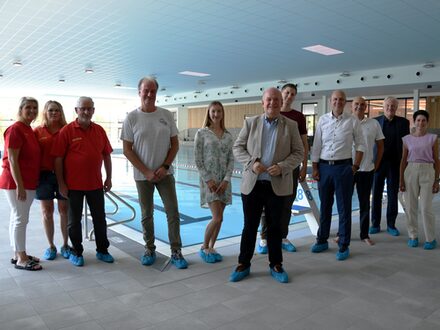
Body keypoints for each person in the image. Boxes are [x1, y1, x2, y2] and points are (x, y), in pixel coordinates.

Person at [230, 87, 304, 283]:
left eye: (276, 100)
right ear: (262, 103)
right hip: (254, 185)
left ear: (281, 103)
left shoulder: (291, 125)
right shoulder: (251, 123)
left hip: (277, 185)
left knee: (275, 228)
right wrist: (251, 163)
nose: (272, 103)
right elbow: (237, 147)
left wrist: (282, 166)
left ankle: (276, 264)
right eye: (269, 100)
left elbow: (298, 153)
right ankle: (243, 263)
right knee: (250, 226)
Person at [121, 76, 188, 269]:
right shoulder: (132, 117)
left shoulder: (166, 115)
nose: (149, 94)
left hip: (165, 174)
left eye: (153, 91)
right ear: (139, 92)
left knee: (173, 212)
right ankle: (149, 248)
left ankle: (176, 250)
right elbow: (127, 149)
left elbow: (175, 144)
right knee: (146, 214)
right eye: (146, 90)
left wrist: (165, 167)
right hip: (143, 176)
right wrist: (147, 171)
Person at [52, 96, 114, 267]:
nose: (86, 112)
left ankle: (102, 250)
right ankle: (76, 251)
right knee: (74, 221)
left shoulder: (99, 130)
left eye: (89, 108)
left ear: (93, 110)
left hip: (95, 184)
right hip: (73, 186)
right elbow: (58, 159)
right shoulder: (67, 131)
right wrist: (61, 183)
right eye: (83, 108)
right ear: (76, 110)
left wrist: (109, 177)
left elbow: (106, 154)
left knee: (100, 219)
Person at [311, 90, 365, 260]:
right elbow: (317, 145)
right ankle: (322, 239)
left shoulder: (352, 121)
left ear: (345, 102)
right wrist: (315, 168)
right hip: (324, 167)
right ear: (330, 101)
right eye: (335, 99)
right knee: (325, 206)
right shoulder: (322, 120)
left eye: (341, 99)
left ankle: (343, 244)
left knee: (344, 208)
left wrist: (355, 166)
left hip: (344, 168)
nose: (338, 102)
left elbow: (361, 145)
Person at [257, 83, 309, 254]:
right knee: (265, 203)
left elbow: (303, 144)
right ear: (281, 94)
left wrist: (303, 166)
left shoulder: (298, 117)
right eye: (287, 92)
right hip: (268, 169)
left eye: (293, 94)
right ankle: (264, 237)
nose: (289, 96)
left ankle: (282, 236)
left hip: (289, 168)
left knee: (287, 203)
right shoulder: (269, 114)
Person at [0, 97, 42, 271]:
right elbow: (12, 159)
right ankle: (22, 258)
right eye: (28, 107)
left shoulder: (28, 129)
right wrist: (20, 185)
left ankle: (17, 253)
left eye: (34, 107)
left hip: (26, 181)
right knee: (20, 219)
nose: (32, 110)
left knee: (16, 217)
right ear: (21, 109)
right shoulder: (16, 129)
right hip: (17, 182)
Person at [194, 101, 234, 263]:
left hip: (224, 183)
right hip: (209, 182)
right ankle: (204, 247)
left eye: (219, 111)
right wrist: (208, 180)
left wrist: (226, 180)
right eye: (213, 111)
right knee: (216, 217)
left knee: (221, 218)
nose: (216, 114)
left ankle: (211, 247)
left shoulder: (228, 135)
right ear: (208, 113)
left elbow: (231, 160)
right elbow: (198, 159)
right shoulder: (202, 133)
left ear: (222, 113)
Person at [34, 100, 70, 260]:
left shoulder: (67, 130)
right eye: (51, 110)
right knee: (47, 212)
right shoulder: (38, 131)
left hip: (64, 175)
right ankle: (51, 246)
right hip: (44, 176)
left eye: (57, 110)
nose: (54, 113)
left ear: (61, 112)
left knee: (64, 210)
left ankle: (65, 244)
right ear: (45, 113)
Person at [399, 110, 439, 249]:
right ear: (414, 122)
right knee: (410, 207)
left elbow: (436, 159)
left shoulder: (433, 138)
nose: (421, 123)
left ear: (427, 123)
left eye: (424, 120)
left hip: (428, 171)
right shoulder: (406, 139)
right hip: (410, 170)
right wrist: (401, 181)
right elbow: (403, 160)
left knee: (426, 207)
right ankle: (413, 236)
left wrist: (437, 180)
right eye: (418, 120)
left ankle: (430, 238)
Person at [371, 97, 410, 236]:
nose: (390, 108)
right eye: (388, 105)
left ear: (396, 107)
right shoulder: (375, 121)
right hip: (378, 164)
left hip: (395, 164)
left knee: (393, 195)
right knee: (376, 194)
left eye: (393, 106)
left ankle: (391, 225)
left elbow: (407, 145)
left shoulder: (404, 122)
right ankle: (375, 223)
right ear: (383, 106)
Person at [351, 97, 384, 246]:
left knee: (364, 204)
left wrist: (376, 164)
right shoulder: (346, 122)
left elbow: (381, 146)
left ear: (366, 107)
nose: (359, 106)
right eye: (356, 104)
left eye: (362, 104)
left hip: (366, 169)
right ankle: (342, 233)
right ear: (351, 106)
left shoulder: (374, 123)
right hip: (348, 170)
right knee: (345, 204)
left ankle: (364, 234)